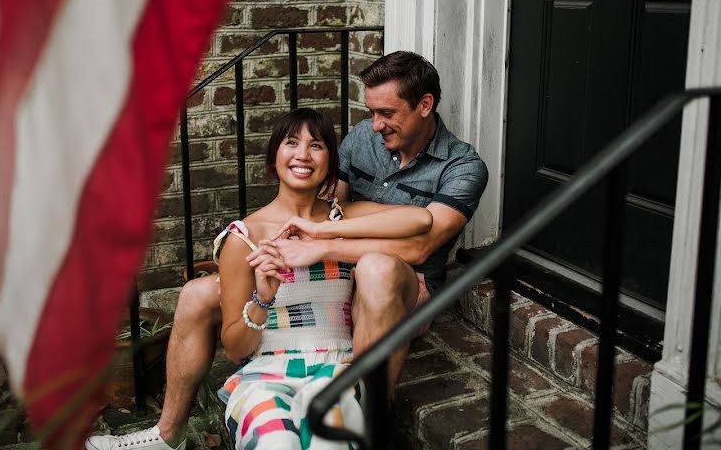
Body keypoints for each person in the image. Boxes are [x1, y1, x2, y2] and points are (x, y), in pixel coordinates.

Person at [86, 51, 487, 450]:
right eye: (371, 112)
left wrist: (322, 239)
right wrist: (298, 243)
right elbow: (330, 199)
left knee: (376, 270)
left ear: (424, 105)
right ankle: (168, 431)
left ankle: (367, 415)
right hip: (335, 267)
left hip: (403, 282)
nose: (375, 124)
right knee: (198, 292)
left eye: (386, 113)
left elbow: (421, 241)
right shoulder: (364, 138)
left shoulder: (462, 166)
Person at [216, 108, 431, 449]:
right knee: (276, 443)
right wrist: (262, 299)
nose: (303, 154)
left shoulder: (339, 218)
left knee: (327, 442)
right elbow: (234, 349)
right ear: (275, 157)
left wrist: (323, 235)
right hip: (268, 373)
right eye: (291, 143)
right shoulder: (243, 237)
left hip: (338, 367)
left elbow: (419, 220)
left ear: (330, 163)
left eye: (316, 145)